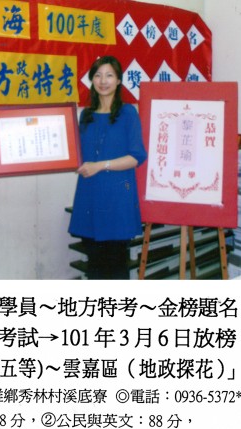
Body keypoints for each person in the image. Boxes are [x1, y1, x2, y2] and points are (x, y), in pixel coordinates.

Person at [68, 55, 147, 279]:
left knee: (116, 268)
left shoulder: (128, 113)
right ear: (92, 80)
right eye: (98, 75)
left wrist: (101, 165)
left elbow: (136, 157)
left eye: (109, 75)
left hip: (117, 199)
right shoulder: (86, 115)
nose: (103, 81)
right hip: (90, 197)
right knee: (94, 267)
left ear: (119, 80)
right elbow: (76, 153)